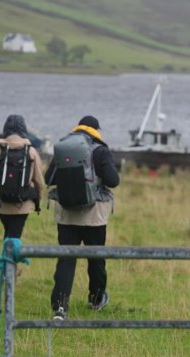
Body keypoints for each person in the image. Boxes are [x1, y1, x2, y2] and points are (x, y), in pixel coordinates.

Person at [46, 115, 120, 320]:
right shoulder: (101, 150)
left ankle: (60, 306)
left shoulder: (64, 148)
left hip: (67, 215)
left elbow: (47, 179)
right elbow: (114, 181)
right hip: (94, 216)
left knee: (66, 260)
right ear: (97, 130)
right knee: (96, 259)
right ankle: (96, 299)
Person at [0, 114, 45, 243]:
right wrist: (38, 201)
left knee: (9, 235)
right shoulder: (31, 152)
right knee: (13, 238)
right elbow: (39, 182)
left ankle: (8, 262)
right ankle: (8, 262)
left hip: (1, 204)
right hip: (23, 204)